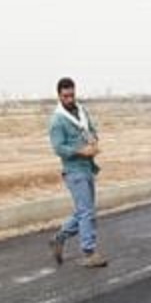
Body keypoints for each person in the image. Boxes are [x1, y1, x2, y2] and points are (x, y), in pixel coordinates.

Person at [48, 77, 107, 267]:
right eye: (65, 96)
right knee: (86, 212)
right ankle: (89, 252)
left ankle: (59, 238)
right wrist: (81, 150)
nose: (69, 98)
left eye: (72, 95)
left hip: (87, 167)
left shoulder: (81, 111)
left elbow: (91, 130)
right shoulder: (57, 120)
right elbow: (58, 148)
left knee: (84, 211)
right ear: (59, 96)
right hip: (74, 171)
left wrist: (94, 143)